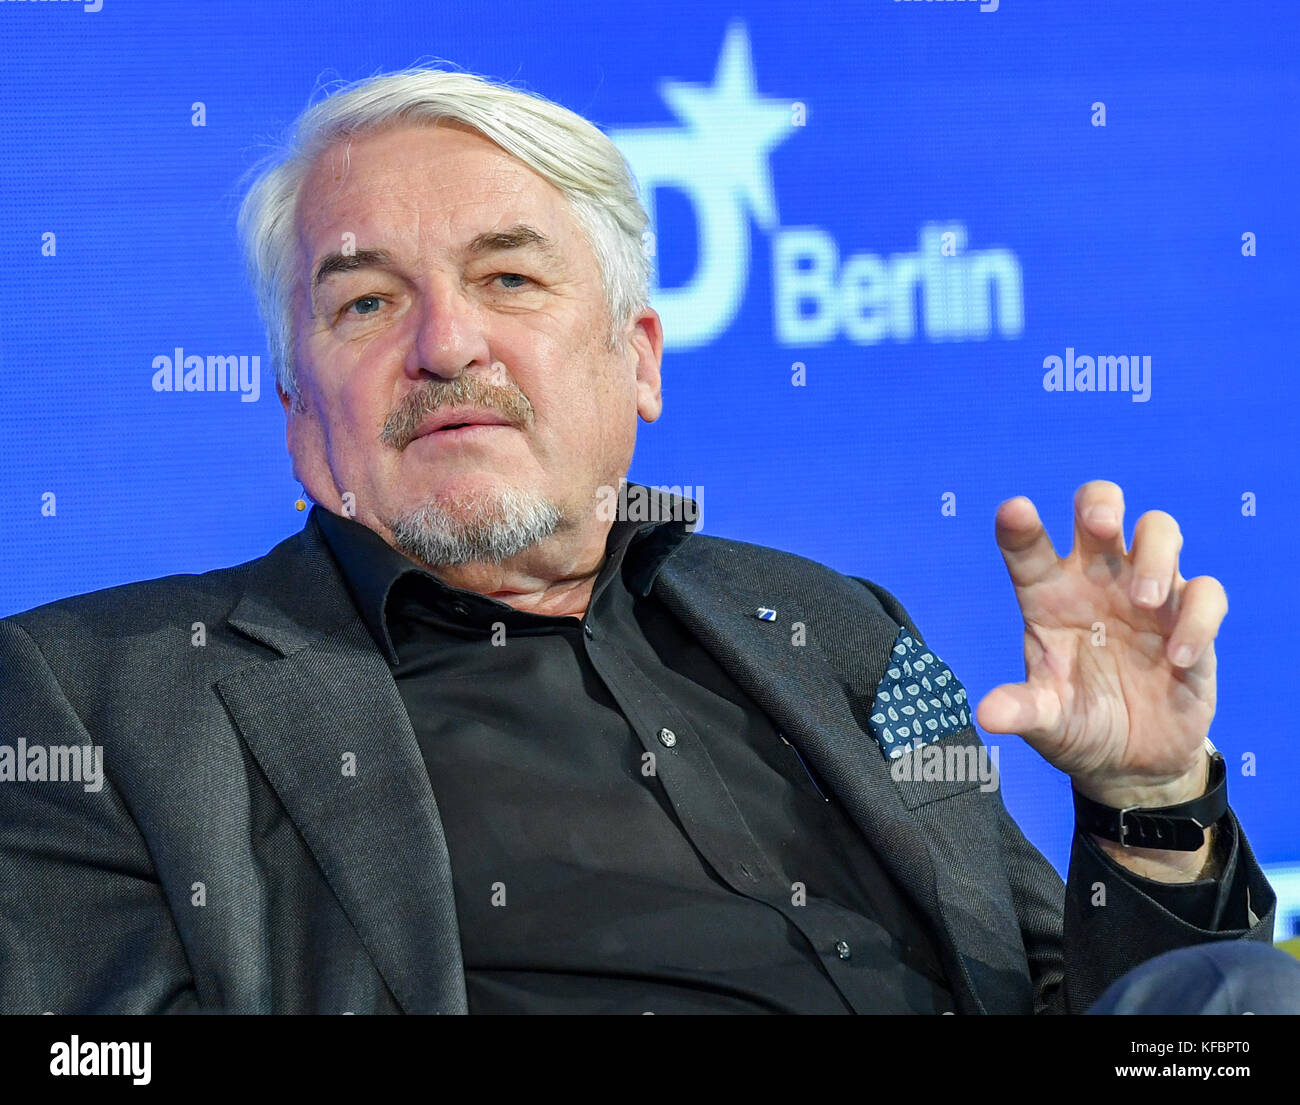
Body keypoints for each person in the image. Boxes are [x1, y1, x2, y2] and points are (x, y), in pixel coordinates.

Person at [0, 66, 1283, 1015]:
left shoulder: (842, 630)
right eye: (366, 301)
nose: (445, 345)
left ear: (638, 361)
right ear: (295, 415)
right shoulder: (102, 691)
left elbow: (1072, 1000)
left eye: (510, 278)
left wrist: (1145, 803)